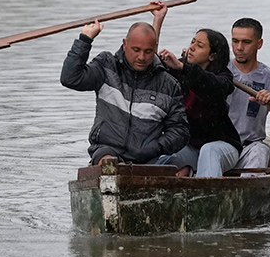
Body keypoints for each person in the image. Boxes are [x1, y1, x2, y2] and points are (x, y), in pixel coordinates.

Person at [60, 19, 188, 165]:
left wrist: (155, 147)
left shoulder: (169, 85)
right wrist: (85, 40)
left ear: (155, 48)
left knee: (182, 168)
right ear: (125, 44)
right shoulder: (107, 66)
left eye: (148, 52)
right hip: (106, 151)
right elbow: (70, 78)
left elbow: (180, 131)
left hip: (149, 159)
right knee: (109, 162)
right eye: (136, 50)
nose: (141, 57)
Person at [149, 3, 243, 177]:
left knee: (209, 151)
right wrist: (158, 19)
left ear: (212, 56)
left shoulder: (224, 78)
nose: (191, 47)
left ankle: (207, 196)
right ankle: (187, 171)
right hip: (190, 148)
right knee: (155, 154)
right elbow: (150, 61)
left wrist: (182, 67)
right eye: (192, 42)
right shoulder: (179, 71)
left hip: (223, 147)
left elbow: (210, 85)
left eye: (199, 45)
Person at [226, 18, 270, 172]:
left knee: (260, 151)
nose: (239, 48)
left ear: (259, 44)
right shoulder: (220, 71)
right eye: (235, 41)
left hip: (251, 147)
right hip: (221, 145)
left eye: (246, 42)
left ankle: (250, 189)